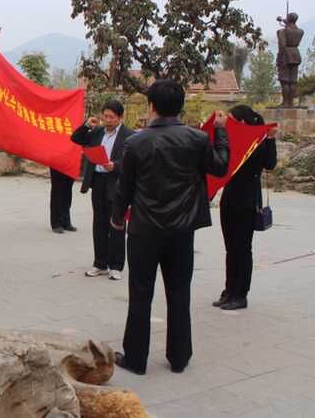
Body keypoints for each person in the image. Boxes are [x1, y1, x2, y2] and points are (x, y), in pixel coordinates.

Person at [110, 79, 229, 375]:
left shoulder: (135, 142)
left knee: (141, 292)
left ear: (151, 106)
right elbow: (220, 167)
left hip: (144, 229)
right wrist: (222, 132)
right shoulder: (197, 139)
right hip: (181, 230)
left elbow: (123, 188)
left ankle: (136, 358)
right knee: (179, 292)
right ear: (181, 106)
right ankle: (179, 357)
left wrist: (115, 217)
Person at [215, 105, 278, 310]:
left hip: (247, 200)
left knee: (242, 248)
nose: (229, 122)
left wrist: (270, 139)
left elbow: (270, 164)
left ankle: (240, 294)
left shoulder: (258, 141)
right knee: (230, 248)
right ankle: (229, 290)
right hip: (229, 198)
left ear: (242, 122)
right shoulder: (230, 139)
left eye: (232, 119)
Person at [71, 100, 134, 280]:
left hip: (117, 184)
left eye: (111, 117)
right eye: (105, 116)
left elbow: (132, 161)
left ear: (120, 117)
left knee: (117, 223)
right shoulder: (97, 131)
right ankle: (100, 263)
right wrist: (86, 126)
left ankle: (116, 266)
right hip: (98, 181)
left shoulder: (129, 135)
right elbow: (75, 139)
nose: (107, 120)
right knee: (99, 223)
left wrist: (115, 165)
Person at [48, 169, 76, 234]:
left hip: (71, 163)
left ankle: (65, 221)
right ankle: (56, 223)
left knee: (68, 192)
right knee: (57, 191)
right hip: (58, 163)